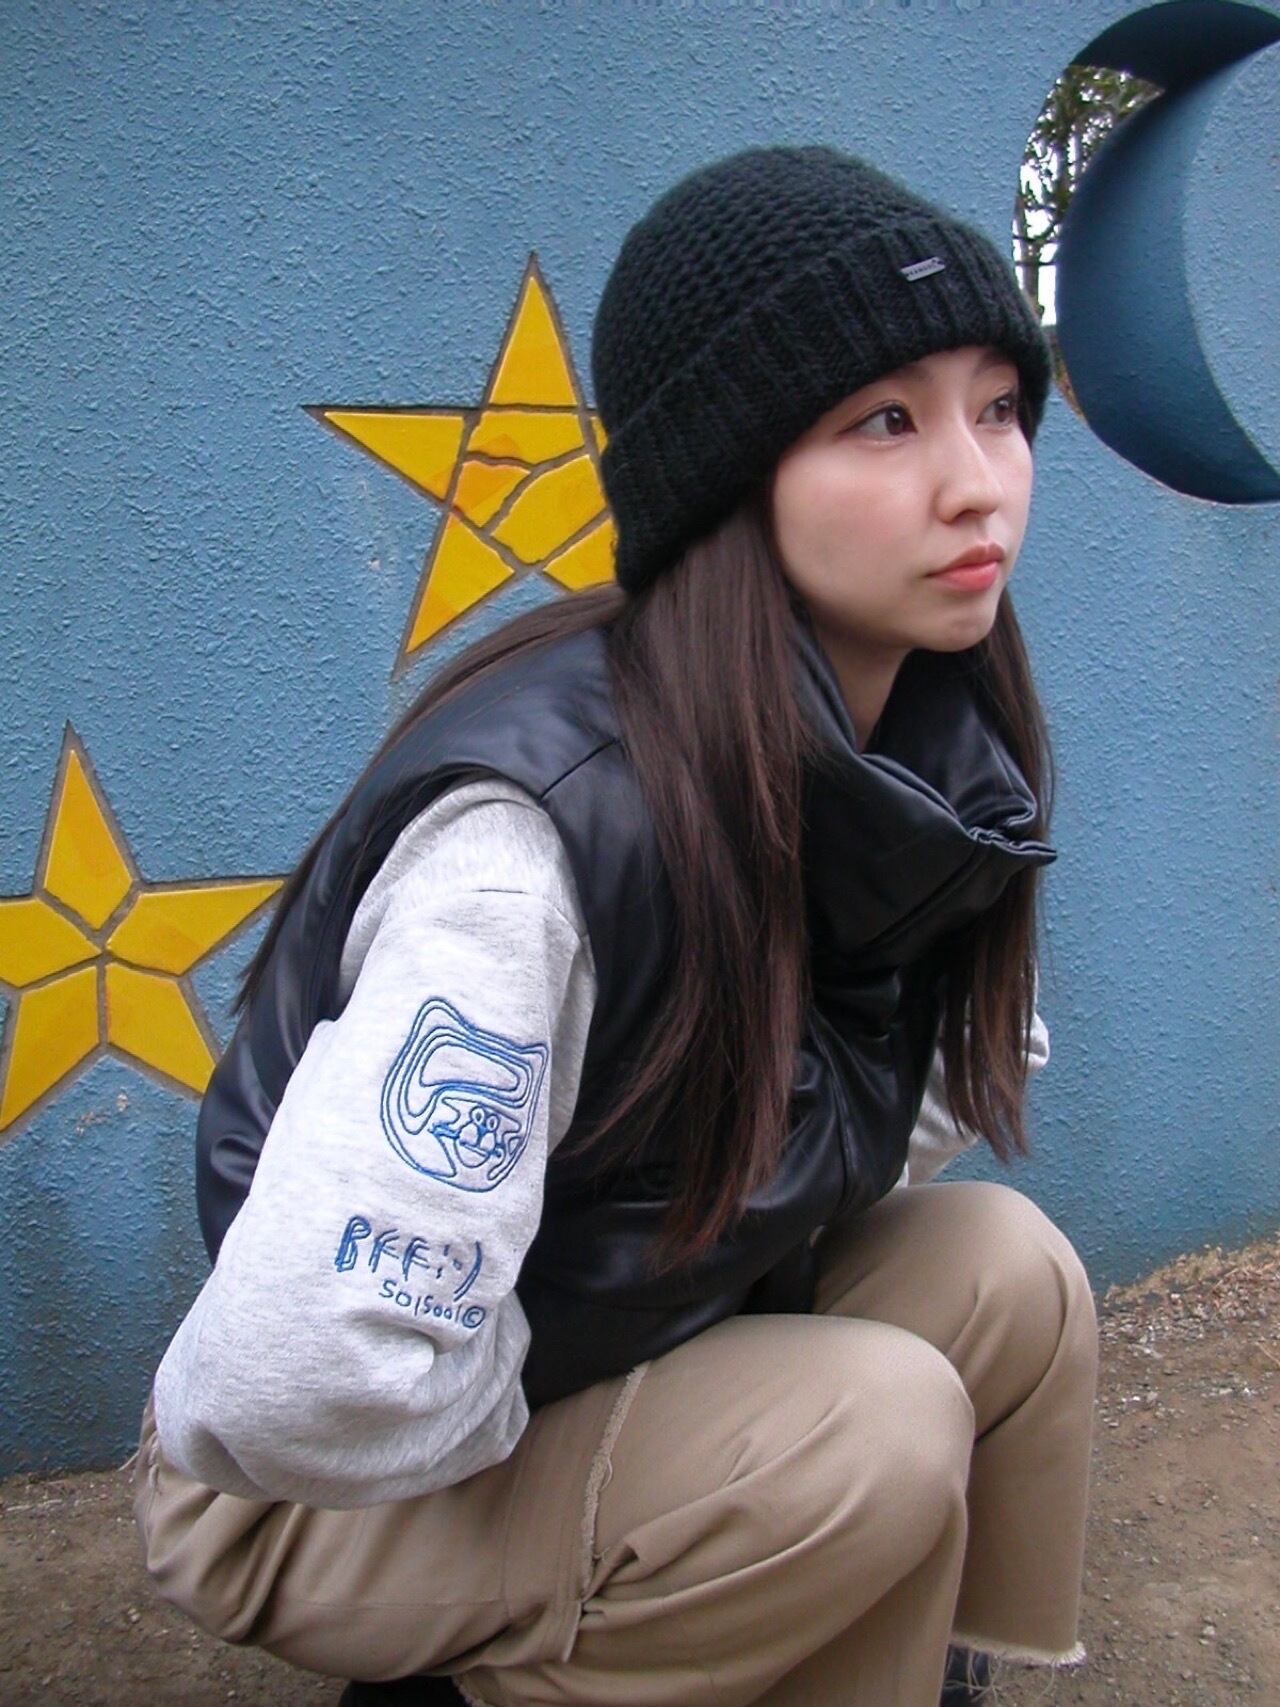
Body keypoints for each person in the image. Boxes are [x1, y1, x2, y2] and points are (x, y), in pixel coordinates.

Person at [133, 144, 1099, 1707]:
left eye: (998, 406)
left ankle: (900, 1662)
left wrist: (691, 1360)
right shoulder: (534, 843)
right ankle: (510, 1663)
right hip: (320, 1491)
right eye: (885, 420)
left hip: (601, 1336)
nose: (978, 480)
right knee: (870, 1424)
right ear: (728, 472)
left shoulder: (924, 754)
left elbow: (909, 1106)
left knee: (1007, 1271)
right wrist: (654, 1438)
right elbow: (293, 1383)